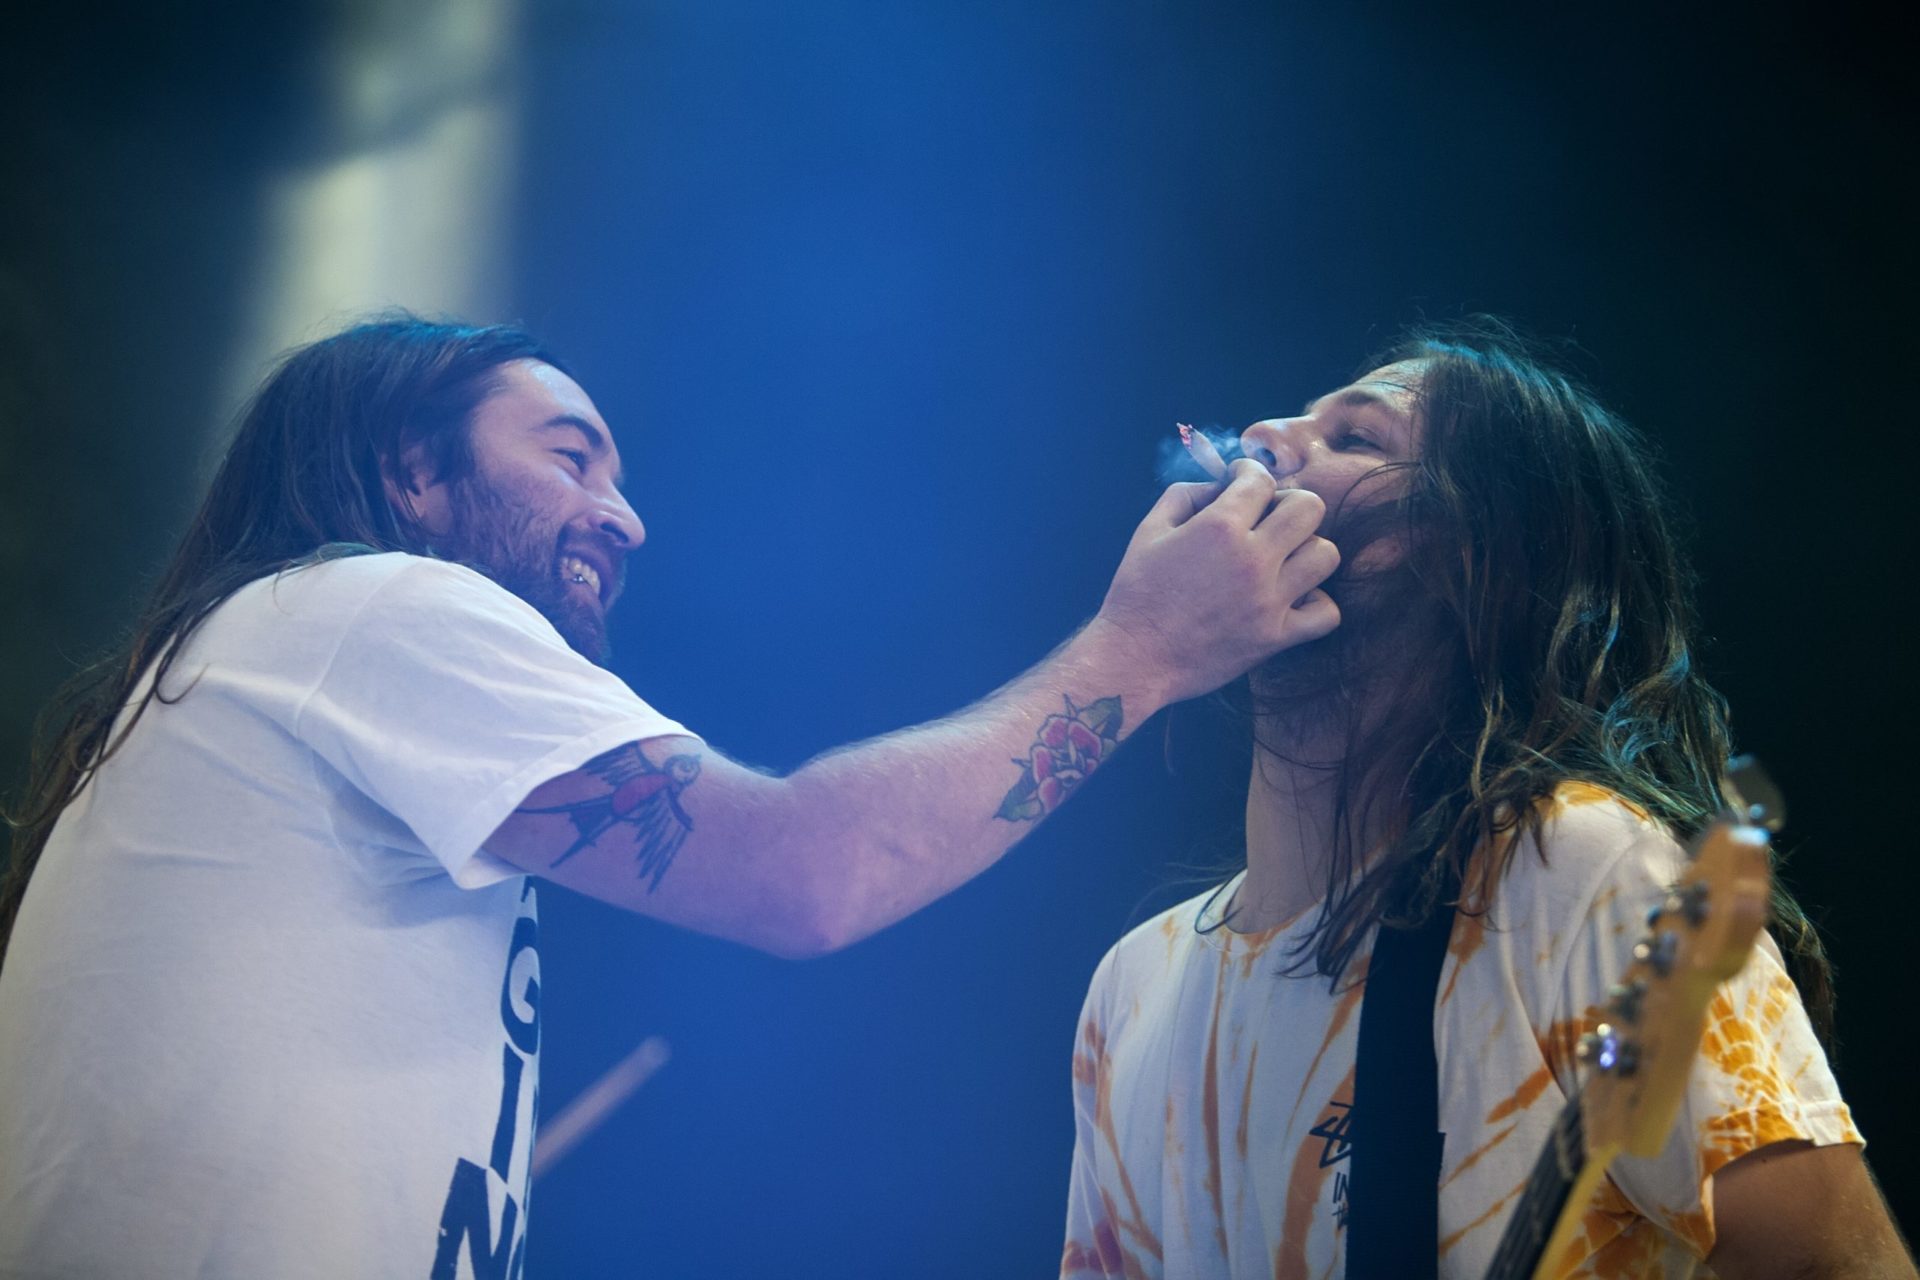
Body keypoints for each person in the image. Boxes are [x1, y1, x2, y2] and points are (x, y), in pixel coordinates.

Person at [0, 315, 1339, 1279]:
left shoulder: (298, 653)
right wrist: (1144, 649)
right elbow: (807, 874)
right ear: (415, 474)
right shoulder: (369, 605)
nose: (626, 516)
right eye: (572, 457)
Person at [1059, 321, 1915, 1279]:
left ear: (1475, 560)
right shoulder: (1132, 988)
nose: (1265, 432)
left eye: (1356, 438)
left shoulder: (1583, 874)